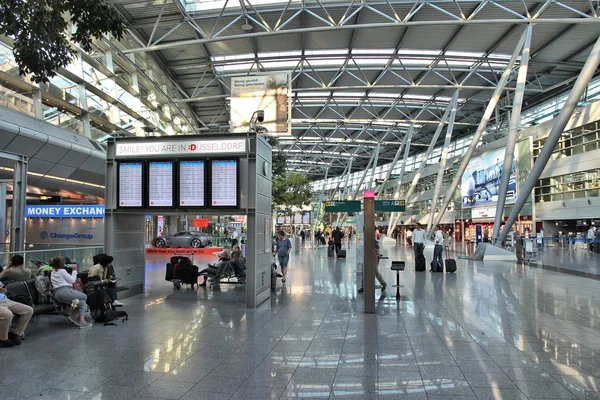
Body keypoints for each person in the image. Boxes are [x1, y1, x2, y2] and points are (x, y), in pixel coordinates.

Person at [50, 256, 91, 329]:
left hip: (57, 293)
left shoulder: (53, 271)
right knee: (84, 296)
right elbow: (72, 280)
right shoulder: (62, 271)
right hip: (64, 291)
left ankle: (77, 319)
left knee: (81, 302)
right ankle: (80, 321)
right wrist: (74, 270)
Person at [0, 279, 33, 347]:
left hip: (5, 300)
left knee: (28, 310)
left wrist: (3, 290)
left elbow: (3, 290)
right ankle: (3, 339)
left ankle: (14, 333)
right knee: (7, 314)